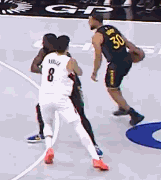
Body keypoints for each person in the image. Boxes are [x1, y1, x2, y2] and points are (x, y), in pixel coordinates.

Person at [37, 34, 108, 169]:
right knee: (78, 126)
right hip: (61, 97)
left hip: (44, 96)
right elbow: (79, 72)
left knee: (48, 124)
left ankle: (49, 149)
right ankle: (95, 158)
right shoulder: (69, 60)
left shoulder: (47, 57)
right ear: (67, 47)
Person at [89, 12, 144, 126]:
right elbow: (126, 42)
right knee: (116, 85)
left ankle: (133, 114)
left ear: (95, 20)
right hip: (126, 60)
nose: (89, 22)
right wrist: (136, 50)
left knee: (111, 89)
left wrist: (94, 72)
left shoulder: (97, 36)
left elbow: (98, 56)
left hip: (115, 64)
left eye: (90, 20)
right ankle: (122, 107)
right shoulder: (111, 28)